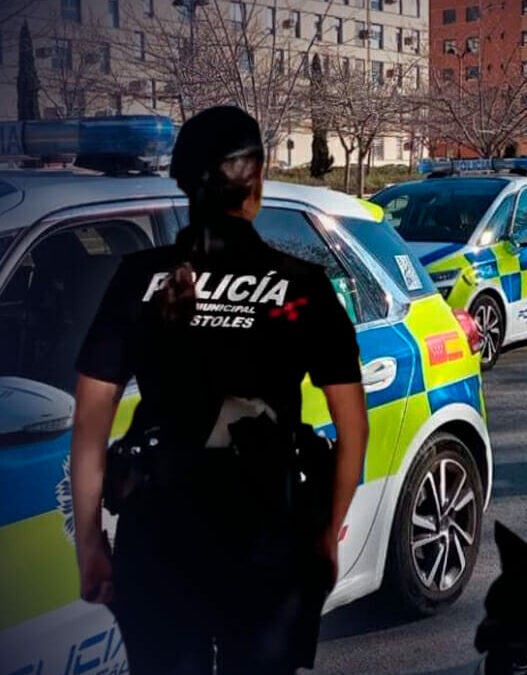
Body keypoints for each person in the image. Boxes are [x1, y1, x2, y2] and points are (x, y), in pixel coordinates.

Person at [69, 106, 368, 674]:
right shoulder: (301, 289)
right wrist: (328, 533)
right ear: (256, 181)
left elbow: (90, 421)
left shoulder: (136, 279)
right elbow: (353, 427)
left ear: (183, 182)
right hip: (265, 534)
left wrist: (89, 543)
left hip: (157, 532)